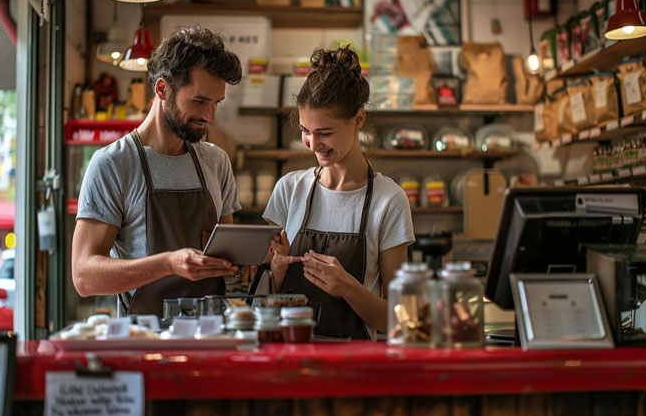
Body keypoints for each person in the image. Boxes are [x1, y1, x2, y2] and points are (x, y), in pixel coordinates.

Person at [72, 26, 244, 317]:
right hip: (143, 344)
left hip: (211, 340)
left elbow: (226, 264)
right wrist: (168, 264)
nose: (210, 116)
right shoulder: (114, 165)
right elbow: (84, 276)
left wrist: (250, 260)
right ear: (162, 89)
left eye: (216, 103)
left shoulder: (216, 162)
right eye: (200, 101)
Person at [260, 46, 414, 340]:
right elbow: (265, 299)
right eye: (306, 130)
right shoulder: (289, 190)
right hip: (290, 358)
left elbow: (399, 320)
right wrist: (276, 273)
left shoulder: (389, 200)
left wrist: (348, 288)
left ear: (357, 120)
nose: (312, 144)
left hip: (356, 366)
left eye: (325, 133)